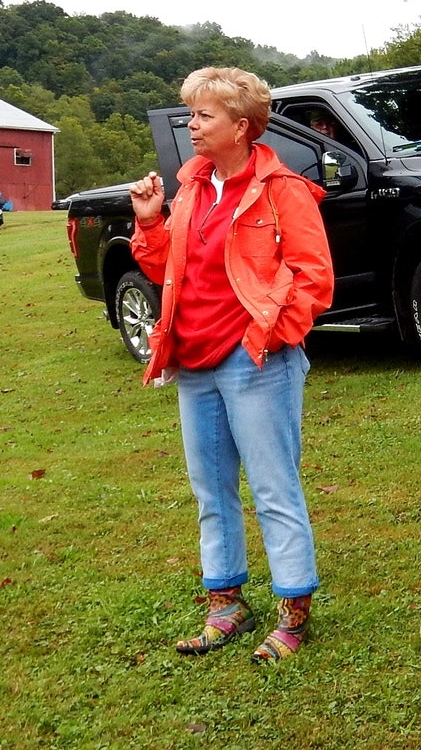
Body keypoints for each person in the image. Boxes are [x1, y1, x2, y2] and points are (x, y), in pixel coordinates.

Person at [129, 67, 334, 663]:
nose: (190, 126)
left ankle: (293, 613)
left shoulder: (282, 190)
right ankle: (227, 607)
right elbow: (169, 267)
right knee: (212, 491)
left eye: (203, 115)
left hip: (254, 360)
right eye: (190, 114)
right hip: (192, 361)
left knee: (274, 489)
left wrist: (267, 336)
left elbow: (313, 278)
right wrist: (148, 220)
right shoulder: (191, 188)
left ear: (241, 127)